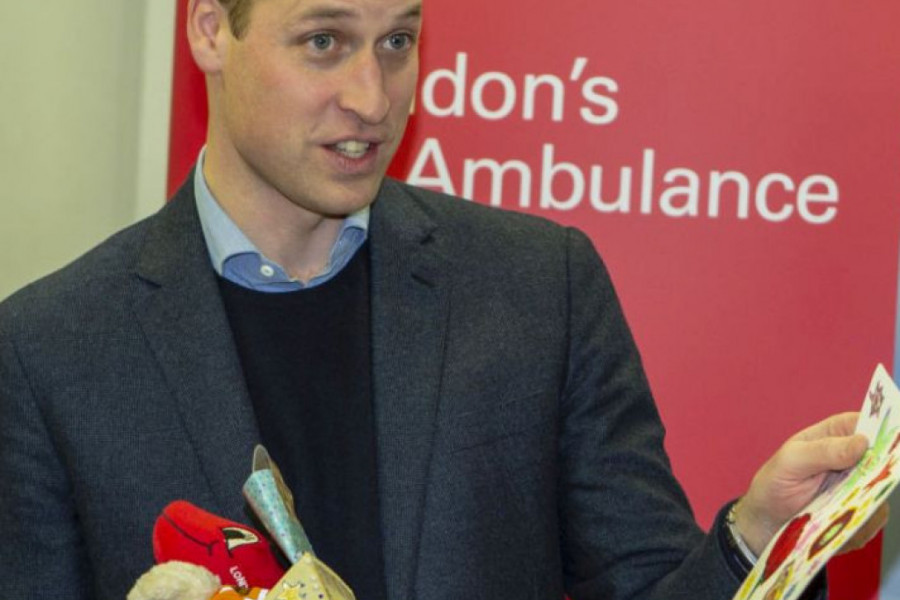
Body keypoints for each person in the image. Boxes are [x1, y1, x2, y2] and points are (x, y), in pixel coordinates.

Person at [0, 0, 886, 598]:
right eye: (324, 41)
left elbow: (653, 586)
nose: (371, 97)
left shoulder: (540, 286)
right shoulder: (49, 351)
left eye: (398, 40)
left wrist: (756, 535)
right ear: (208, 30)